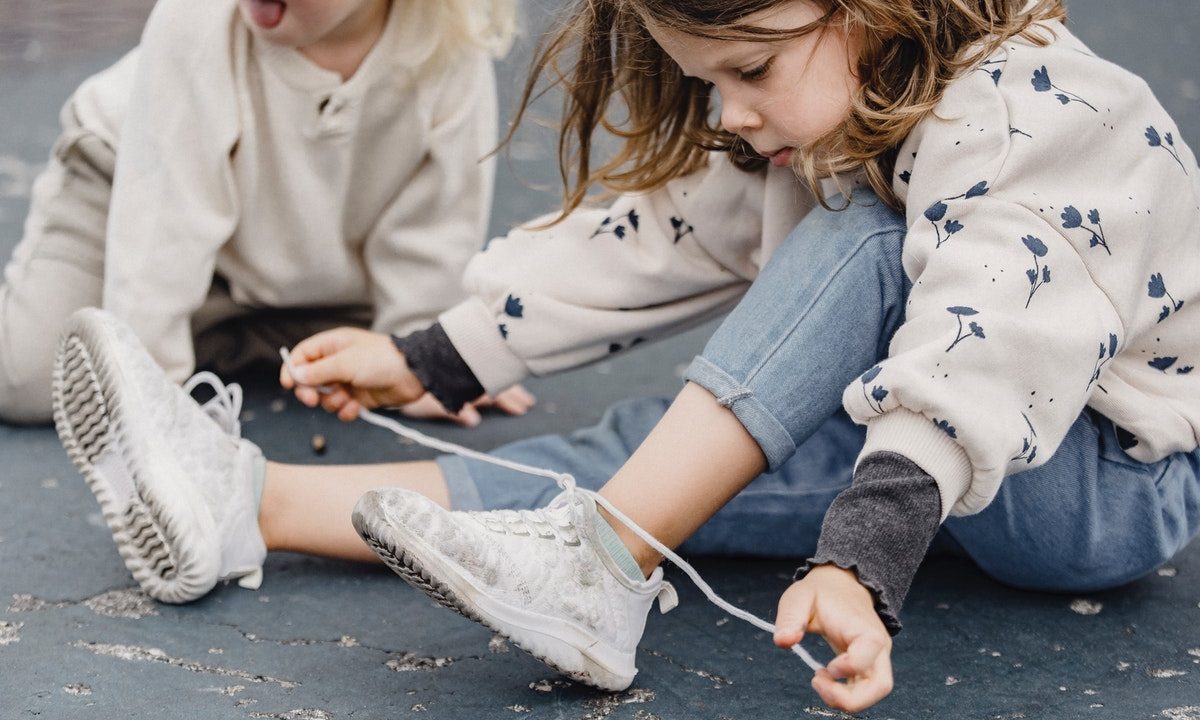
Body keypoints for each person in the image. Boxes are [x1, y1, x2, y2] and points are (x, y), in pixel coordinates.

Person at [52, 0, 1199, 713]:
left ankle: (603, 565)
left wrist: (864, 556)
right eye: (708, 81)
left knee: (865, 242)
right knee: (664, 450)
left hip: (1098, 486)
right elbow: (662, 238)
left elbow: (987, 339)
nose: (732, 110)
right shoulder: (844, 107)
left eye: (749, 71)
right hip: (937, 445)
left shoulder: (1030, 112)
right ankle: (242, 503)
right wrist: (436, 357)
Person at [0, 0, 533, 427]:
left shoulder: (446, 42)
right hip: (124, 191)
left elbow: (436, 221)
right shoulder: (198, 21)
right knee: (32, 377)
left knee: (359, 355)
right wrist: (151, 396)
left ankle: (227, 322)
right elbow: (161, 232)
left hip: (308, 252)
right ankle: (212, 325)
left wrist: (419, 360)